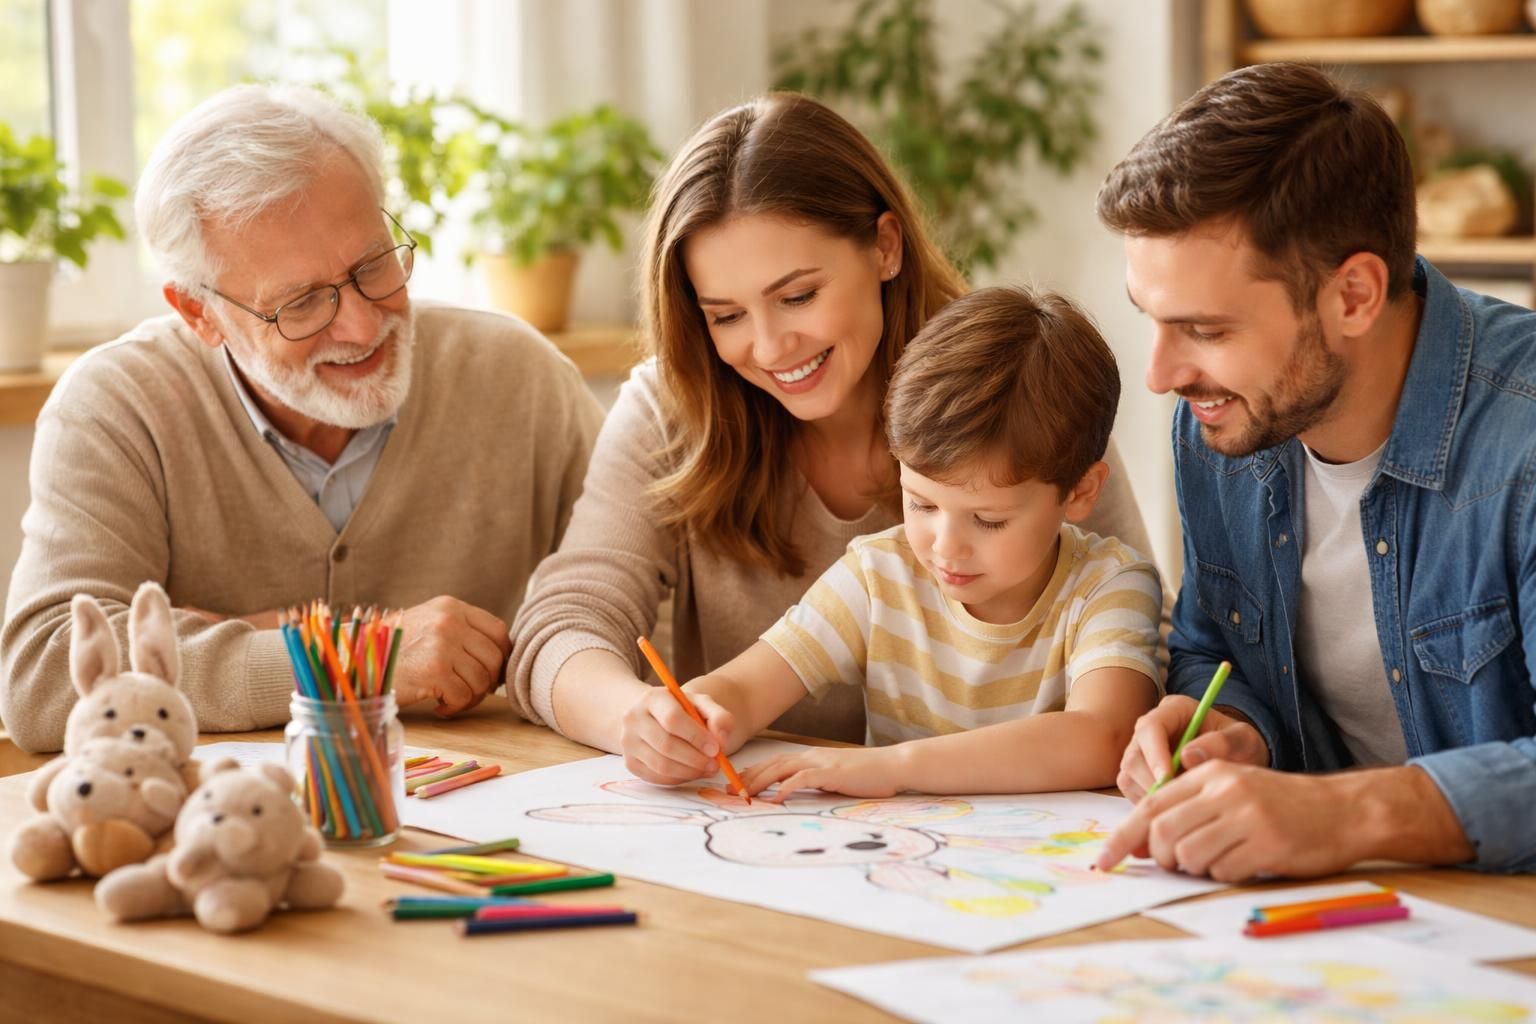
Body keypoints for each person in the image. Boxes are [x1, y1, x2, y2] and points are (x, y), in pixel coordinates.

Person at [509, 91, 1163, 766]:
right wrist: (640, 721)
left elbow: (1135, 656)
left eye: (797, 296)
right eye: (725, 315)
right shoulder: (675, 410)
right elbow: (563, 624)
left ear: (884, 248)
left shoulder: (1008, 395)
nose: (768, 348)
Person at [1, 85, 604, 752]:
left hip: (504, 817)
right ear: (199, 313)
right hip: (222, 838)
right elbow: (45, 676)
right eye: (302, 302)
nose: (364, 323)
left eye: (373, 265)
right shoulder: (117, 405)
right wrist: (355, 657)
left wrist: (225, 635)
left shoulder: (518, 376)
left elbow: (653, 605)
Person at [1093, 61, 1536, 879]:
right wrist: (1223, 721)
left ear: (1355, 295)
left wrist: (1342, 813)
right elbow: (1208, 642)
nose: (1159, 374)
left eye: (1205, 329)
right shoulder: (1225, 417)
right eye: (1152, 320)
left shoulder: (1524, 444)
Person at [621, 286, 1162, 799]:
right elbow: (747, 686)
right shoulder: (880, 575)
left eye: (989, 520)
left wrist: (893, 767)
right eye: (922, 504)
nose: (946, 548)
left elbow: (1103, 738)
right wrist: (695, 715)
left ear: (1080, 491)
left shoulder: (1109, 588)